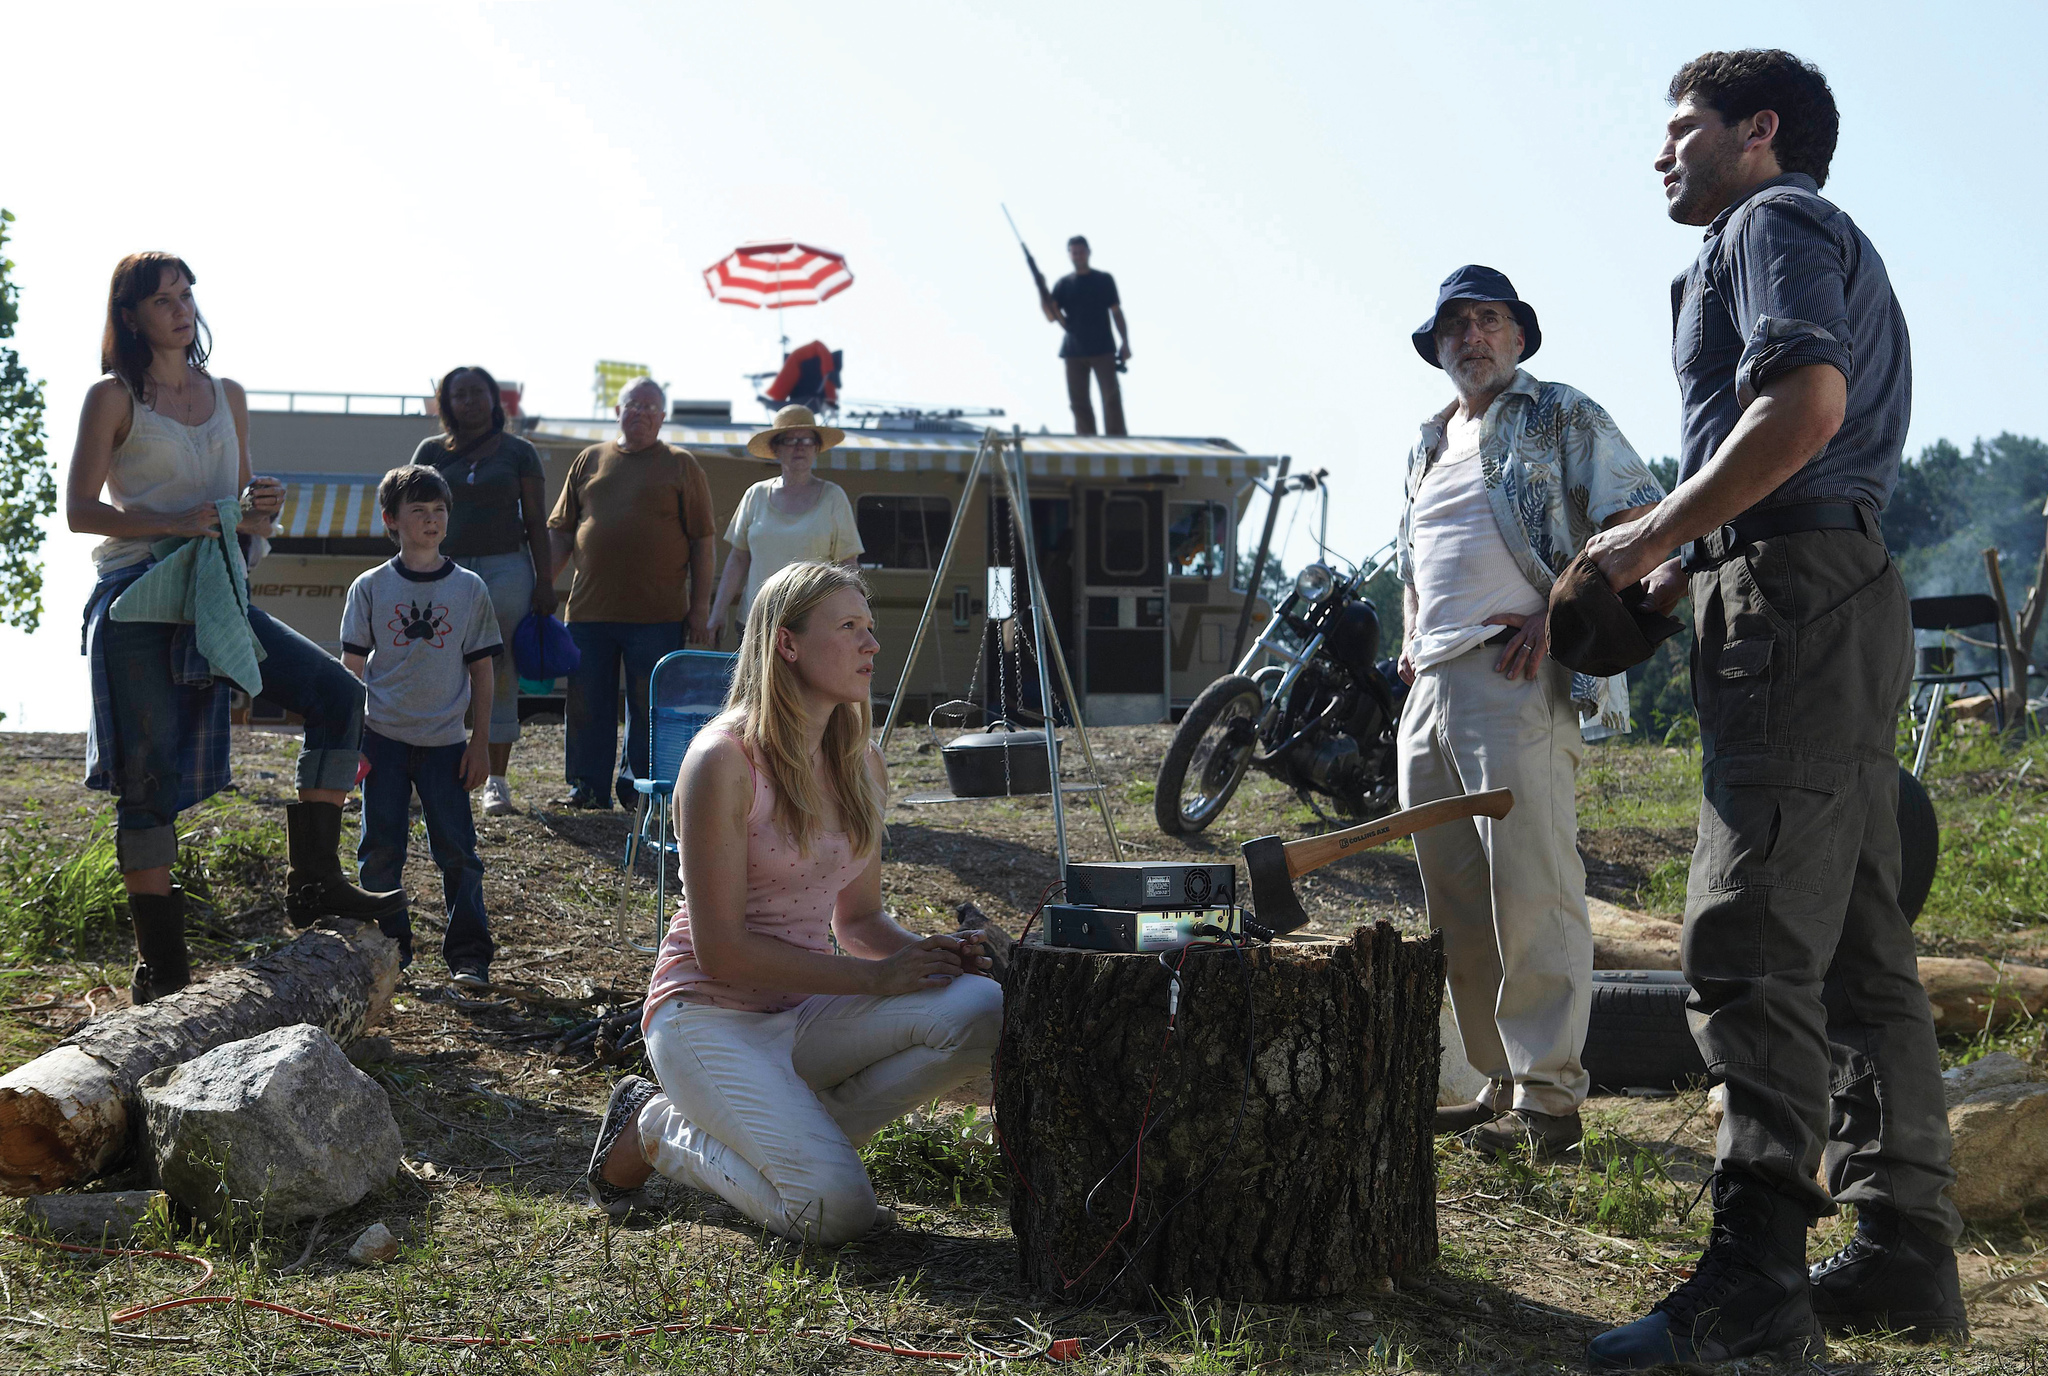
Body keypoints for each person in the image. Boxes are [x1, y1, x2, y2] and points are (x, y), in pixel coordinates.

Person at [1584, 51, 1965, 1369]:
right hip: (1834, 586)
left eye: (1681, 126)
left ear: (1762, 130)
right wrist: (1685, 557)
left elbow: (1802, 408)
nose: (1662, 152)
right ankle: (1907, 1251)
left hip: (1792, 594)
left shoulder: (1773, 222)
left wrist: (1641, 543)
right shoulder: (1800, 234)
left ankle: (1754, 1281)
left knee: (1745, 937)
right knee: (1862, 958)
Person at [583, 561, 1000, 1241]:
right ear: (787, 643)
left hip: (802, 1012)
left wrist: (936, 959)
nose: (872, 645)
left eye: (870, 629)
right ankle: (656, 1124)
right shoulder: (723, 759)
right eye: (850, 628)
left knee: (982, 1006)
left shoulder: (861, 760)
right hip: (707, 1016)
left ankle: (791, 1137)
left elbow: (858, 920)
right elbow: (721, 953)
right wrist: (874, 979)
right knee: (836, 1213)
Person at [67, 253, 403, 1004]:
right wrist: (171, 521)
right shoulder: (112, 397)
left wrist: (263, 508)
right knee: (146, 784)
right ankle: (163, 964)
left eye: (186, 295)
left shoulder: (229, 394)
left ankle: (314, 882)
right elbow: (80, 511)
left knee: (338, 698)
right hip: (139, 593)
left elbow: (245, 511)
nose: (181, 310)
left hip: (216, 585)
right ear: (131, 315)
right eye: (162, 301)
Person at [1395, 266, 1664, 1159]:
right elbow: (1416, 560)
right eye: (1455, 326)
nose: (1471, 337)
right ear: (1436, 347)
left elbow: (1640, 516)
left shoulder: (1559, 413)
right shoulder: (1425, 443)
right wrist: (1410, 635)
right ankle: (1492, 1087)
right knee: (1455, 897)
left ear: (1518, 337)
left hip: (1514, 677)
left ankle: (1549, 1105)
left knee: (1533, 889)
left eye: (1489, 320)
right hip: (1430, 686)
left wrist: (1560, 611)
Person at [341, 466, 502, 988]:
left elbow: (482, 668)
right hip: (381, 738)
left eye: (439, 511)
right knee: (379, 851)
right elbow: (352, 667)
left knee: (457, 852)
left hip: (445, 744)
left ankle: (469, 956)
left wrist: (481, 741)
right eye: (418, 511)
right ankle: (390, 953)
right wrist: (350, 744)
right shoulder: (370, 587)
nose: (431, 521)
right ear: (392, 519)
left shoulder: (469, 588)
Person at [546, 377, 717, 810]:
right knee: (586, 702)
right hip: (587, 612)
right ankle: (587, 786)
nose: (640, 413)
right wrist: (540, 588)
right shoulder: (589, 460)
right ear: (617, 411)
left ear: (663, 417)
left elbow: (702, 540)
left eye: (649, 407)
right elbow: (562, 533)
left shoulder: (682, 465)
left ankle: (638, 789)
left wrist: (700, 607)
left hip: (657, 614)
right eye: (632, 405)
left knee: (648, 706)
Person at [412, 365, 555, 818]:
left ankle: (496, 781)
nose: (470, 401)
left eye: (478, 393)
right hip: (441, 567)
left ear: (495, 400)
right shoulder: (430, 450)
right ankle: (426, 773)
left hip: (506, 567)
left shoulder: (520, 452)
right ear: (446, 403)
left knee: (498, 663)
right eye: (460, 394)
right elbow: (411, 511)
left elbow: (536, 521)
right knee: (433, 657)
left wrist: (546, 581)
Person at [706, 405, 863, 644]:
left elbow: (848, 565)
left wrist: (854, 616)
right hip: (756, 624)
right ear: (776, 448)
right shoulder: (755, 495)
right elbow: (738, 559)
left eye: (807, 440)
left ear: (816, 449)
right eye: (790, 440)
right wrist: (717, 612)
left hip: (813, 626)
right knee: (754, 683)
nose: (800, 447)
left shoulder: (834, 497)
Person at [1040, 235, 1131, 436]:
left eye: (1081, 251)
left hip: (1103, 348)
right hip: (1073, 350)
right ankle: (1087, 440)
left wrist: (1125, 343)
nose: (1078, 256)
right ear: (1069, 255)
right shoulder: (1064, 284)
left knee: (1111, 398)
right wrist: (1042, 291)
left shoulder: (1104, 280)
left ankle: (1117, 440)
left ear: (1088, 252)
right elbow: (1051, 315)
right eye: (1074, 252)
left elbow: (1116, 312)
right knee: (1078, 402)